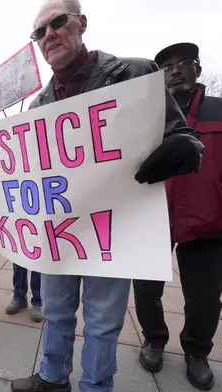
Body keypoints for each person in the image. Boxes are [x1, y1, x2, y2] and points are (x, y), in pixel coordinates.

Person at [10, 1, 204, 391]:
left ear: (81, 23)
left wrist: (184, 147)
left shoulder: (135, 73)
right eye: (39, 32)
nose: (48, 35)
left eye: (57, 22)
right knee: (56, 310)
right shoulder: (38, 105)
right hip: (59, 229)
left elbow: (184, 137)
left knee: (101, 319)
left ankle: (96, 387)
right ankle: (52, 377)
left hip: (112, 229)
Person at [132, 42, 222, 391]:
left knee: (204, 297)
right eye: (166, 66)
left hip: (208, 221)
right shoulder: (145, 117)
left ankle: (197, 352)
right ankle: (154, 339)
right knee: (145, 289)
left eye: (183, 63)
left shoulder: (218, 110)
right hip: (154, 219)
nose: (174, 70)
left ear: (197, 69)